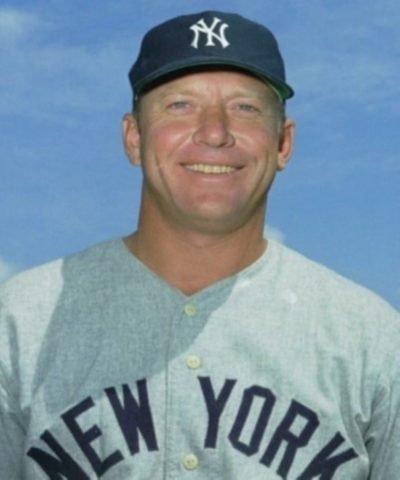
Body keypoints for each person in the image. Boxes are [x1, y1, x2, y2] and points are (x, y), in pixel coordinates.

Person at [0, 10, 399, 480]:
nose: (214, 132)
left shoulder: (372, 341)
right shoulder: (20, 321)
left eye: (245, 108)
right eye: (180, 105)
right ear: (133, 137)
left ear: (283, 144)